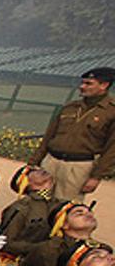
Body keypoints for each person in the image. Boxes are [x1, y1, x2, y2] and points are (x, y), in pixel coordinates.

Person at [29, 67, 115, 201]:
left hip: (78, 167)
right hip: (51, 162)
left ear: (104, 85)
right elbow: (49, 137)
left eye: (88, 84)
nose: (82, 87)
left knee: (64, 207)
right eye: (82, 83)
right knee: (38, 201)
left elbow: (112, 149)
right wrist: (34, 162)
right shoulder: (70, 107)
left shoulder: (111, 112)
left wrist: (96, 177)